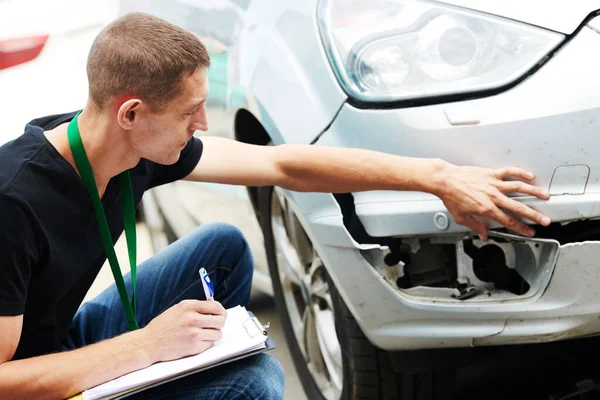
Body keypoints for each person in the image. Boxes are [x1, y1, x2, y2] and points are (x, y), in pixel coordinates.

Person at [0, 12, 551, 400]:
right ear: (132, 113)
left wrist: (438, 178)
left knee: (223, 250)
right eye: (191, 111)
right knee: (258, 383)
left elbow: (284, 166)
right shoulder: (14, 204)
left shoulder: (123, 145)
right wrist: (144, 348)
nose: (204, 124)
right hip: (30, 379)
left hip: (60, 339)